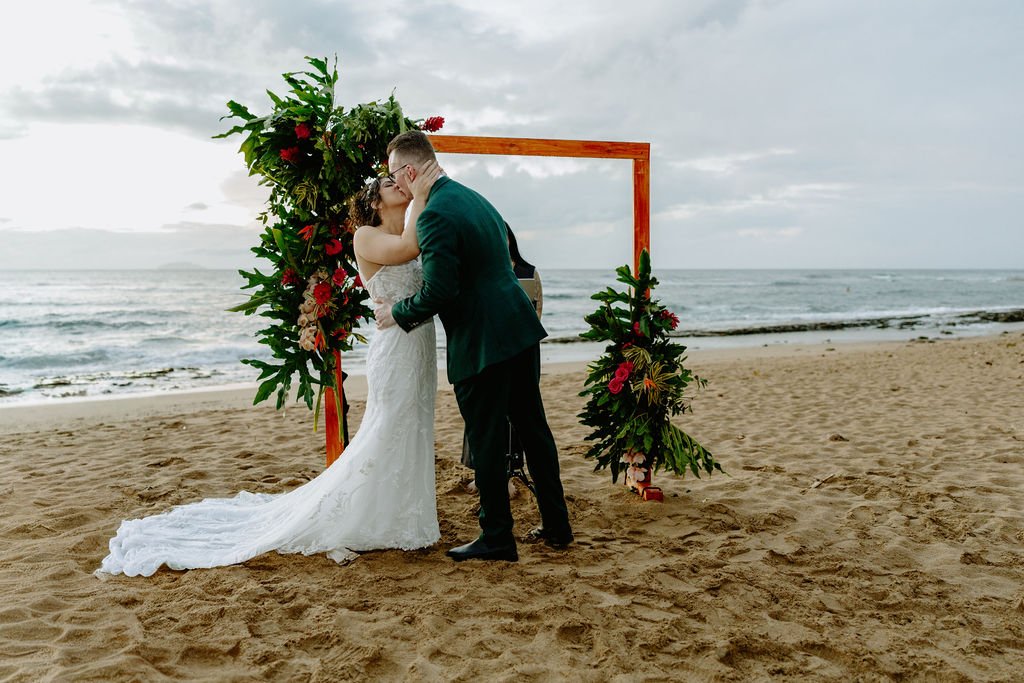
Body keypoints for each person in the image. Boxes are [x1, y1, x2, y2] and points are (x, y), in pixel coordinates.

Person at [96, 163, 443, 577]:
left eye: (402, 180)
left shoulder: (406, 228)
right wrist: (423, 191)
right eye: (391, 183)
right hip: (395, 348)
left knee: (415, 421)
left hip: (417, 341)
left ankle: (404, 510)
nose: (400, 185)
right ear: (374, 201)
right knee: (391, 424)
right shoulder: (367, 236)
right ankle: (380, 514)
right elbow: (409, 249)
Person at [374, 131, 573, 563]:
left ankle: (497, 538)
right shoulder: (473, 198)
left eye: (394, 175)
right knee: (534, 429)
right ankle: (558, 526)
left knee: (485, 439)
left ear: (409, 171)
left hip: (483, 341)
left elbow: (442, 291)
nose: (396, 184)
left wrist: (399, 313)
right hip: (518, 326)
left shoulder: (434, 216)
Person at [461, 223, 542, 497]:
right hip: (489, 351)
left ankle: (511, 470)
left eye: (502, 235)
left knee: (518, 416)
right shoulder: (478, 269)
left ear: (509, 239)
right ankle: (483, 473)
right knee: (485, 416)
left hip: (520, 350)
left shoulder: (528, 272)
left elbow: (536, 311)